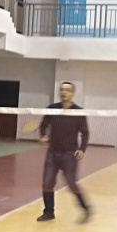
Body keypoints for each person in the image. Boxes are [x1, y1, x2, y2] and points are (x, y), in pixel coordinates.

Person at [37, 81, 92, 223]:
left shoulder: (78, 112)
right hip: (52, 152)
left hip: (70, 154)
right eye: (61, 90)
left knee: (71, 183)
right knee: (47, 182)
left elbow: (85, 132)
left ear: (72, 93)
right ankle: (49, 212)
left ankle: (86, 209)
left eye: (67, 90)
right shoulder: (52, 109)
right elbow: (43, 125)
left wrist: (82, 149)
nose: (64, 92)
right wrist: (43, 135)